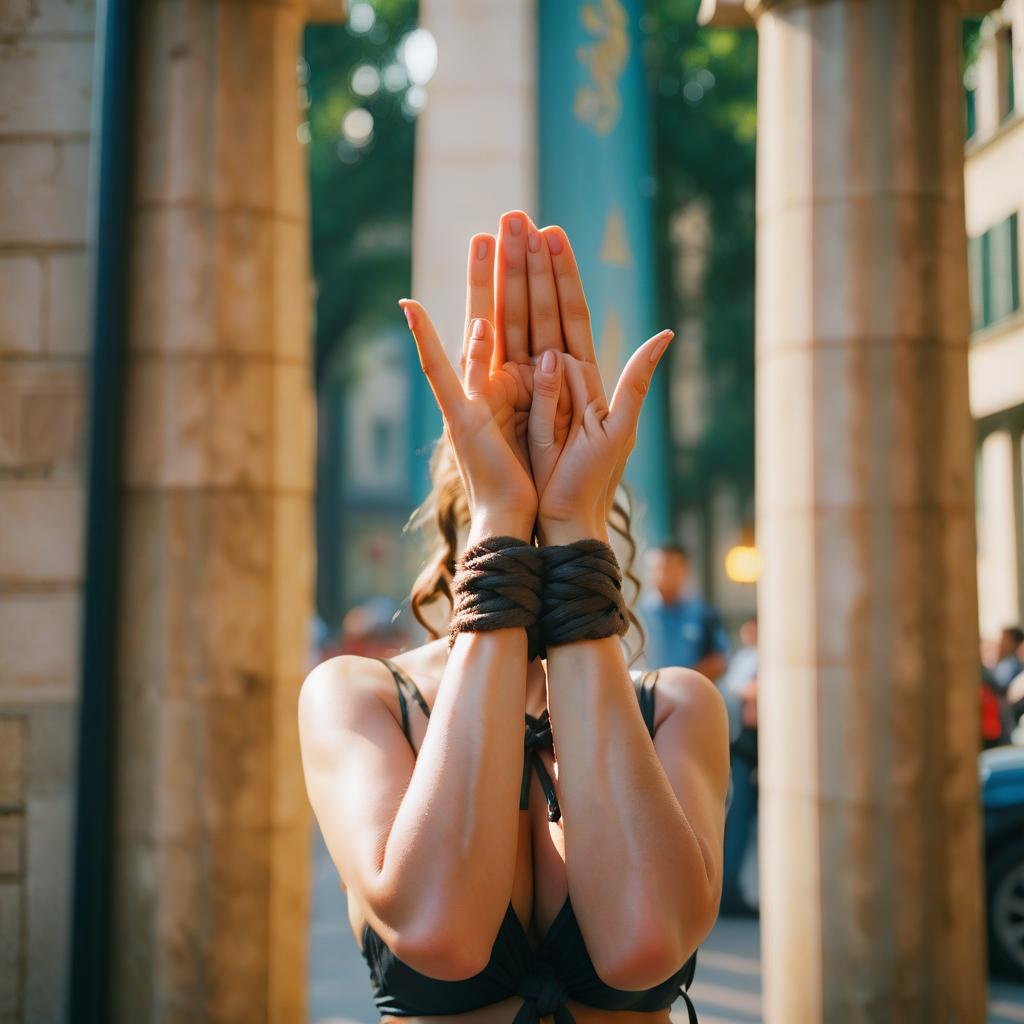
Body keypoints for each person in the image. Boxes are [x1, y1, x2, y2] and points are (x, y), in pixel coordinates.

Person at [298, 212, 730, 1024]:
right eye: (509, 527)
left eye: (553, 532)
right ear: (465, 535)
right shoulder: (356, 697)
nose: (534, 544)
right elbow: (439, 931)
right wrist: (509, 514)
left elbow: (644, 942)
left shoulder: (677, 705)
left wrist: (570, 528)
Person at [716, 618, 759, 915]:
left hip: (739, 746)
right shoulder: (751, 658)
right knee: (737, 822)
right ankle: (728, 891)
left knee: (735, 821)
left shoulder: (746, 658)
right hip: (744, 748)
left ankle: (728, 889)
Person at [641, 545, 729, 682]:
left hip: (690, 696)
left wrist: (681, 682)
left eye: (669, 567)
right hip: (643, 698)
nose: (663, 573)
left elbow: (719, 662)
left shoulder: (703, 613)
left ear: (684, 570)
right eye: (657, 568)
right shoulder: (636, 615)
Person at [992, 625, 1024, 691]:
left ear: (1012, 643)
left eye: (1003, 639)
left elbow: (998, 686)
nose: (999, 643)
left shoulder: (1010, 665)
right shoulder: (1011, 662)